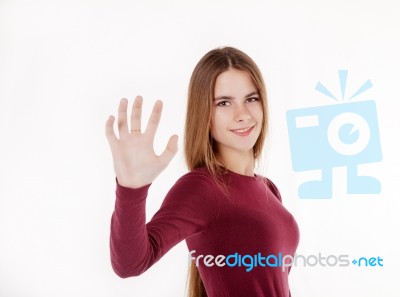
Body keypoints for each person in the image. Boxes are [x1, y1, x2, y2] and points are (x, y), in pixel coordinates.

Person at [105, 47, 300, 297]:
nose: (243, 115)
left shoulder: (268, 189)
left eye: (252, 99)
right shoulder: (202, 188)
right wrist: (131, 189)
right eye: (224, 103)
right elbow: (129, 264)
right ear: (204, 114)